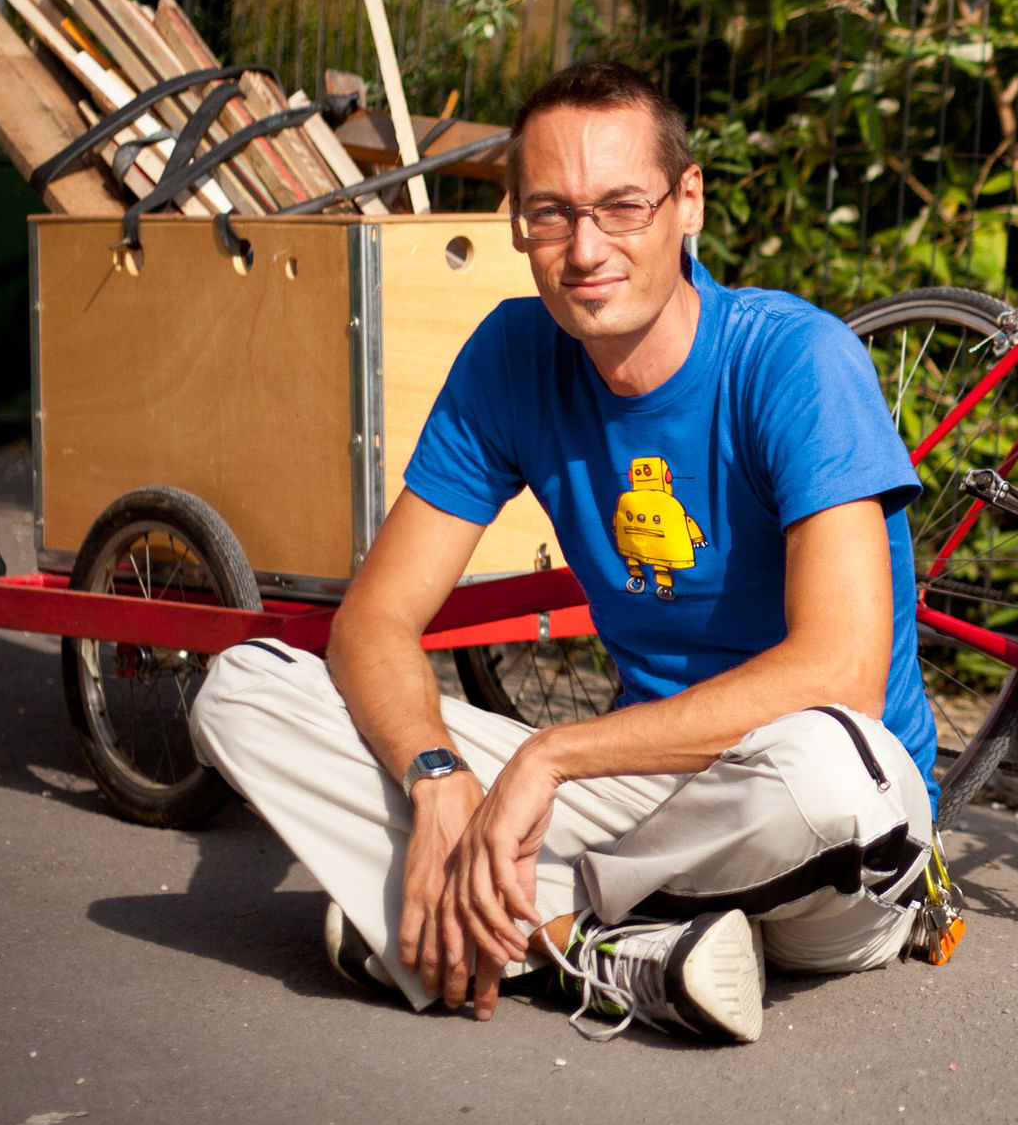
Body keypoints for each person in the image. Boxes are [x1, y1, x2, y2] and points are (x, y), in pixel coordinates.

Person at [190, 61, 941, 1043]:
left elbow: (837, 672)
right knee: (240, 686)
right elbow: (375, 618)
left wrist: (546, 759)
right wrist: (435, 777)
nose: (586, 249)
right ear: (515, 222)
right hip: (635, 801)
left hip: (811, 842)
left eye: (622, 206)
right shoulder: (511, 357)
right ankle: (594, 945)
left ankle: (467, 921)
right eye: (552, 213)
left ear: (688, 204)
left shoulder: (794, 361)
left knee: (839, 768)